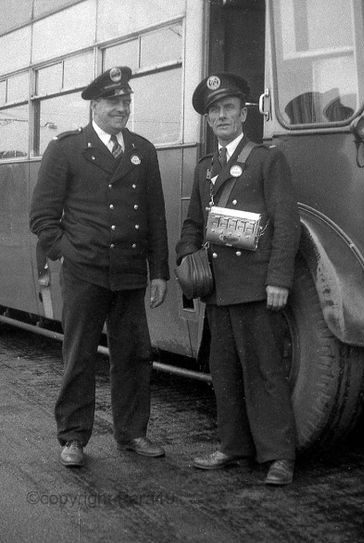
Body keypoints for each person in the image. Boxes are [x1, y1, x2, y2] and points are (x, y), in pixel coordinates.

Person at [30, 66, 169, 467]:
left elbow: (156, 216)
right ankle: (73, 438)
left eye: (126, 102)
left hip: (128, 272)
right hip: (84, 271)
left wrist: (158, 270)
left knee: (134, 355)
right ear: (95, 105)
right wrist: (66, 251)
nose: (121, 109)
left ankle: (132, 433)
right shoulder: (67, 148)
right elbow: (42, 216)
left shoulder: (143, 150)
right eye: (113, 103)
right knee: (80, 354)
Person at [176, 73, 301, 485]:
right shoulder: (206, 168)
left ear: (243, 112)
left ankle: (279, 456)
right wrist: (186, 260)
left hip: (256, 287)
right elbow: (194, 223)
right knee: (224, 372)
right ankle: (233, 446)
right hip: (217, 289)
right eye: (214, 111)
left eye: (229, 107)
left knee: (265, 372)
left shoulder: (267, 160)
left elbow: (287, 224)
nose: (222, 116)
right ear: (208, 120)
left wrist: (278, 279)